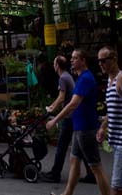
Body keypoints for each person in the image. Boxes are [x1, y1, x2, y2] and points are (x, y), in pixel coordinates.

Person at [46, 49, 110, 195]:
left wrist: (55, 119)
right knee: (74, 161)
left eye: (75, 58)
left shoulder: (85, 78)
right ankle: (67, 193)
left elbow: (73, 104)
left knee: (96, 168)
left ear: (83, 61)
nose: (72, 60)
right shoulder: (81, 78)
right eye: (72, 58)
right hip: (79, 127)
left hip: (86, 129)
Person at [42, 55, 95, 183]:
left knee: (62, 145)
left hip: (69, 116)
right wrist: (53, 107)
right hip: (73, 115)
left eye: (54, 63)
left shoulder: (63, 78)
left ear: (57, 65)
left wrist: (52, 110)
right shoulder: (68, 76)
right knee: (80, 147)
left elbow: (62, 98)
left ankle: (55, 174)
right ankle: (91, 174)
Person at [96, 46, 122, 195]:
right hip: (117, 142)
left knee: (116, 188)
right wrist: (102, 127)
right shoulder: (109, 80)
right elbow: (112, 111)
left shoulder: (120, 79)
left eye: (103, 61)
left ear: (114, 59)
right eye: (99, 61)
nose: (100, 64)